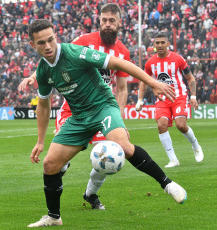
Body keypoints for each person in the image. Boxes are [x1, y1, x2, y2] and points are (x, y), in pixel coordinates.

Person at [25, 19, 187, 228]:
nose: (47, 46)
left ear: (56, 36)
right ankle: (54, 217)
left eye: (50, 40)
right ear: (32, 45)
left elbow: (119, 63)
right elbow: (44, 106)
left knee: (123, 146)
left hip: (103, 106)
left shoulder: (76, 53)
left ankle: (168, 184)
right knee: (50, 164)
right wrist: (40, 141)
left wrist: (152, 82)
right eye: (41, 43)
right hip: (79, 117)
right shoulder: (43, 71)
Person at [19, 3, 130, 210]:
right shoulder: (83, 41)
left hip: (101, 106)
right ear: (98, 20)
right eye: (104, 20)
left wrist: (118, 120)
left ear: (119, 22)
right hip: (74, 108)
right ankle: (60, 176)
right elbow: (55, 57)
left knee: (108, 154)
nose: (107, 24)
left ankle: (90, 194)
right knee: (57, 160)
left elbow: (122, 89)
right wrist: (34, 75)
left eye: (111, 21)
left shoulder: (123, 51)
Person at [136, 32, 204, 168]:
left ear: (168, 44)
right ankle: (173, 160)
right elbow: (143, 81)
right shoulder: (150, 63)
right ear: (154, 45)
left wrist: (193, 96)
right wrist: (140, 99)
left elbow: (190, 78)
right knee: (161, 125)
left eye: (162, 42)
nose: (160, 45)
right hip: (162, 98)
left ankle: (196, 146)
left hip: (179, 96)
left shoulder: (178, 59)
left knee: (181, 125)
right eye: (157, 43)